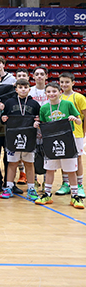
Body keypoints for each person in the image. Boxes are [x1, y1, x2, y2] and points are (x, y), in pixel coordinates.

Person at [35, 82, 83, 209]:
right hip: (51, 141)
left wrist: (74, 118)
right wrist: (37, 125)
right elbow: (43, 125)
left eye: (54, 91)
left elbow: (79, 121)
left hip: (68, 140)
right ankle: (47, 194)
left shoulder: (68, 104)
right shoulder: (44, 108)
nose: (51, 94)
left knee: (71, 170)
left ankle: (75, 196)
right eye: (49, 91)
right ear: (45, 93)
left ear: (60, 92)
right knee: (50, 169)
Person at [0, 78, 40, 200]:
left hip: (29, 138)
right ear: (16, 89)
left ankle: (31, 188)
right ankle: (9, 187)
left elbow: (39, 118)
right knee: (12, 163)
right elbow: (3, 117)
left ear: (29, 89)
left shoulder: (34, 104)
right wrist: (3, 118)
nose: (23, 90)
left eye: (25, 87)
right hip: (13, 138)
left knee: (29, 163)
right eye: (20, 87)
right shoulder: (9, 102)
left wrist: (38, 121)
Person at [57, 71, 86, 199]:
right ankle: (66, 184)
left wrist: (84, 132)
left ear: (73, 83)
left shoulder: (79, 97)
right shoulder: (58, 97)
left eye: (67, 82)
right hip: (62, 133)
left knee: (78, 158)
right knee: (64, 158)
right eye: (62, 82)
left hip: (77, 133)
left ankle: (79, 185)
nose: (64, 84)